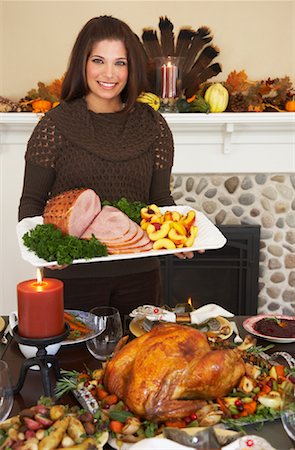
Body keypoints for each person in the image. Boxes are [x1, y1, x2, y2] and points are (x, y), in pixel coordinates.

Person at [18, 15, 193, 318]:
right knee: (78, 364)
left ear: (132, 67)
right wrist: (44, 252)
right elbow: (31, 202)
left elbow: (160, 199)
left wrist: (181, 233)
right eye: (98, 60)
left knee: (140, 362)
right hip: (74, 276)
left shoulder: (155, 126)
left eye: (120, 63)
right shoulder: (54, 126)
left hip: (141, 273)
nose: (109, 73)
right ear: (82, 64)